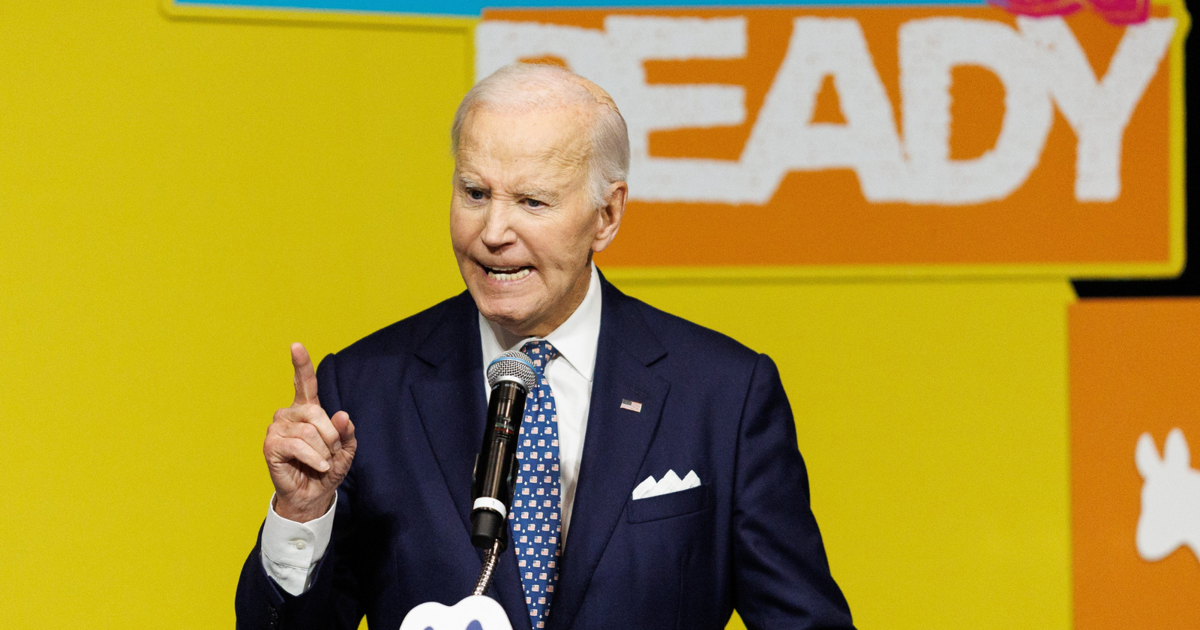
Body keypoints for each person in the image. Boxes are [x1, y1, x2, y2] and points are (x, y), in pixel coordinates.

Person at [235, 63, 854, 630]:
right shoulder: (364, 391)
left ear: (607, 215)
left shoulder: (723, 395)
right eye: (475, 194)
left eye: (532, 202)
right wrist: (301, 517)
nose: (493, 232)